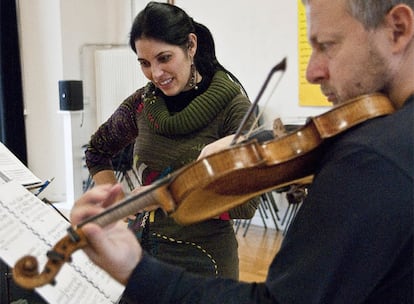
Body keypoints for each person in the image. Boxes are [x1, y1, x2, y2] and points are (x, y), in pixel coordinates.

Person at [73, 0, 413, 303]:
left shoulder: (370, 159)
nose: (312, 71)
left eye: (326, 45)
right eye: (144, 63)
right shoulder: (142, 104)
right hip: (148, 238)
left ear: (398, 30)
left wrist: (138, 267)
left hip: (203, 254)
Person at [84, 1, 259, 281]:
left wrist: (165, 194)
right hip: (141, 256)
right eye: (144, 63)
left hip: (204, 261)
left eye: (164, 58)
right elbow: (97, 151)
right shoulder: (142, 104)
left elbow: (246, 203)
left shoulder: (234, 108)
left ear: (191, 46)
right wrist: (116, 202)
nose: (156, 74)